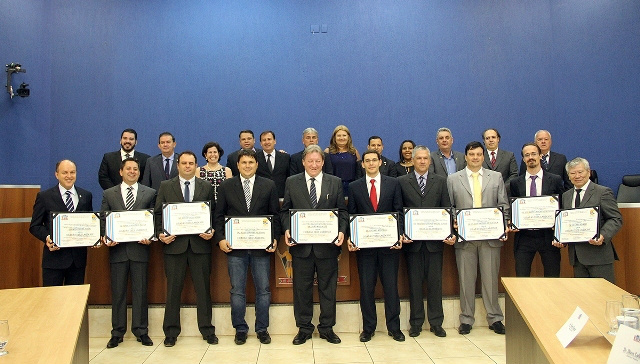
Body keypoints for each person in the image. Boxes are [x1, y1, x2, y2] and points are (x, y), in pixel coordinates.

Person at [281, 145, 348, 345]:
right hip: (301, 247)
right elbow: (285, 211)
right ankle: (304, 328)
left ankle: (327, 328)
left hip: (327, 247)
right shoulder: (292, 182)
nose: (314, 164)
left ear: (323, 162)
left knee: (328, 288)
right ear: (303, 162)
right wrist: (287, 229)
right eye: (310, 161)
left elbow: (342, 212)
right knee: (302, 289)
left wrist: (342, 231)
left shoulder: (334, 182)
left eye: (317, 161)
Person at [214, 149, 281, 346]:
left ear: (257, 164)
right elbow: (218, 216)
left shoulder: (268, 185)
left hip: (262, 248)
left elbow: (275, 215)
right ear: (238, 165)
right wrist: (220, 239)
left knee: (263, 290)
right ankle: (240, 329)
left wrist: (274, 238)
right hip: (235, 248)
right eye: (244, 163)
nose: (247, 166)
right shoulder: (227, 186)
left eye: (251, 162)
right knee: (237, 290)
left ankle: (262, 328)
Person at [155, 151, 217, 347]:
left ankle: (207, 330)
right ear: (178, 166)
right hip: (174, 246)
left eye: (191, 163)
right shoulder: (166, 186)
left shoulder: (206, 186)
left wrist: (212, 230)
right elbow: (158, 215)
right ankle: (171, 332)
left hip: (200, 245)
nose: (188, 166)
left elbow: (212, 213)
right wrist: (160, 233)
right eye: (184, 163)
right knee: (173, 290)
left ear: (196, 165)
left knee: (203, 290)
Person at [447, 141, 509, 335]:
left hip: (491, 237)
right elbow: (449, 207)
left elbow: (503, 205)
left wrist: (504, 226)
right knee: (466, 279)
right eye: (471, 154)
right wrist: (454, 223)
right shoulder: (453, 179)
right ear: (465, 157)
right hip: (465, 238)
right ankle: (466, 319)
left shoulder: (496, 177)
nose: (475, 157)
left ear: (484, 157)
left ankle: (495, 318)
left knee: (490, 279)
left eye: (479, 154)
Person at [347, 149, 405, 342]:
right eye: (367, 161)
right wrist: (352, 237)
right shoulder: (355, 187)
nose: (371, 163)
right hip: (364, 248)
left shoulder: (393, 184)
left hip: (389, 247)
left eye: (374, 160)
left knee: (391, 287)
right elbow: (351, 216)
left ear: (380, 162)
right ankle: (368, 328)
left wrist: (398, 236)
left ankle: (394, 328)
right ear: (362, 164)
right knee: (366, 288)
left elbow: (399, 211)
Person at [100, 158, 156, 348]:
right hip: (117, 251)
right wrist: (106, 236)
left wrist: (152, 236)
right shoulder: (109, 193)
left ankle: (141, 331)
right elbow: (103, 220)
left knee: (141, 292)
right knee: (118, 293)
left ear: (139, 173)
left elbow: (154, 220)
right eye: (128, 169)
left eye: (135, 169)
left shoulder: (150, 193)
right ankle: (117, 332)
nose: (132, 171)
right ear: (121, 172)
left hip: (140, 250)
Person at [397, 146, 453, 338]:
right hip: (412, 243)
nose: (422, 161)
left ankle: (436, 322)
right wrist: (402, 233)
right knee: (414, 284)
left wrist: (449, 232)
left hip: (435, 243)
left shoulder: (440, 181)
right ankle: (416, 323)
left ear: (430, 161)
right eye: (418, 158)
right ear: (412, 160)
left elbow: (446, 208)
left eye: (425, 158)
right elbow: (398, 211)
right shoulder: (402, 182)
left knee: (435, 283)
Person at [553, 157, 623, 283]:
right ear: (568, 176)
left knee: (604, 296)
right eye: (573, 173)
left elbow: (615, 219)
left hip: (599, 255)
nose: (577, 176)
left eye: (580, 172)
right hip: (576, 257)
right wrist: (560, 238)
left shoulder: (602, 192)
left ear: (589, 172)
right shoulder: (566, 196)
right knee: (584, 297)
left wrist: (602, 235)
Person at [29, 159, 94, 286]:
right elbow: (35, 226)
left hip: (77, 261)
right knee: (52, 301)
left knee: (75, 302)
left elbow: (90, 222)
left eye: (72, 172)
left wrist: (93, 238)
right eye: (65, 172)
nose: (69, 176)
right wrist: (47, 237)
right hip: (54, 260)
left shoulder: (86, 196)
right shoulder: (44, 197)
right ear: (56, 174)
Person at [510, 143, 564, 277]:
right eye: (526, 155)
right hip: (524, 237)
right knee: (521, 278)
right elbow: (513, 207)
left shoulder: (555, 180)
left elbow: (562, 206)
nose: (530, 157)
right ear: (523, 159)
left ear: (540, 156)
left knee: (552, 278)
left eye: (533, 154)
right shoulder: (515, 183)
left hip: (548, 236)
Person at [325, 125, 361, 195]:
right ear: (334, 137)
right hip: (334, 186)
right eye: (339, 135)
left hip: (351, 186)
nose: (341, 138)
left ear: (348, 137)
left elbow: (359, 171)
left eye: (344, 135)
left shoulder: (354, 152)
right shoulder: (328, 151)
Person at [481, 128, 518, 194]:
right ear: (484, 141)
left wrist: (502, 188)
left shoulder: (509, 156)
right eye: (487, 138)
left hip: (505, 194)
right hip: (484, 195)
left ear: (498, 139)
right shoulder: (479, 157)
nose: (491, 140)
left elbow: (514, 175)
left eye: (493, 137)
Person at [256, 130, 291, 198]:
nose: (267, 142)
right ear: (260, 143)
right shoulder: (255, 158)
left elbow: (289, 177)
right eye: (264, 140)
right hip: (261, 197)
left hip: (281, 196)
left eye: (269, 139)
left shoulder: (285, 157)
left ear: (274, 141)